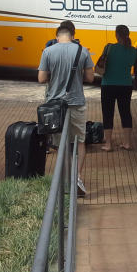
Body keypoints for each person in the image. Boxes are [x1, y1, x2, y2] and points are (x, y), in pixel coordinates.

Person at [38, 23, 95, 196]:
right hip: (77, 102)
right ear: (72, 36)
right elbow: (91, 77)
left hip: (55, 107)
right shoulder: (82, 51)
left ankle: (64, 179)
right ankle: (77, 177)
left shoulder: (48, 52)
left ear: (57, 37)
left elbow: (41, 79)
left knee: (60, 143)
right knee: (80, 141)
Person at [101, 25, 137, 152]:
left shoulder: (109, 47)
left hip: (108, 84)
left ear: (116, 35)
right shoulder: (133, 50)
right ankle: (127, 142)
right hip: (126, 85)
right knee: (125, 112)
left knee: (108, 113)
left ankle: (109, 144)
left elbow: (102, 63)